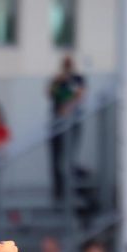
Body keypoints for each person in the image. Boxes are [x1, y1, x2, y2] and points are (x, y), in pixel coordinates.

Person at [47, 55, 87, 201]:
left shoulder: (77, 79)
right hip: (57, 124)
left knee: (69, 157)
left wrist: (68, 108)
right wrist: (58, 81)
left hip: (72, 123)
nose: (67, 66)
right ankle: (58, 192)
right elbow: (48, 93)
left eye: (69, 64)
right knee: (56, 158)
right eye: (65, 64)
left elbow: (80, 95)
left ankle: (71, 190)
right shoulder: (57, 79)